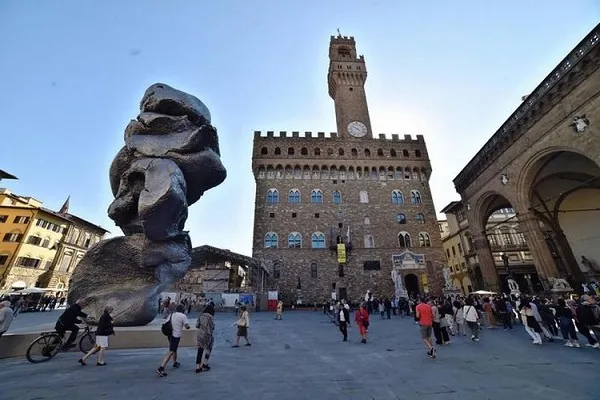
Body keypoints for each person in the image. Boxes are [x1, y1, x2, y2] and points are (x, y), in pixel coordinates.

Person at [156, 304, 190, 377]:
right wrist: (188, 326)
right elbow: (187, 326)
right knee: (171, 351)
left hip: (170, 334)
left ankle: (175, 362)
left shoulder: (172, 314)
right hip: (176, 335)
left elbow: (166, 322)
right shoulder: (183, 316)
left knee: (174, 349)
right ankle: (161, 368)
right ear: (183, 310)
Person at [195, 304, 215, 373]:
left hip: (200, 335)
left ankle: (198, 367)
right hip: (208, 335)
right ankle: (205, 363)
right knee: (209, 349)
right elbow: (213, 327)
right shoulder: (210, 317)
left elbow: (197, 325)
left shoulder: (201, 315)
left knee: (200, 350)